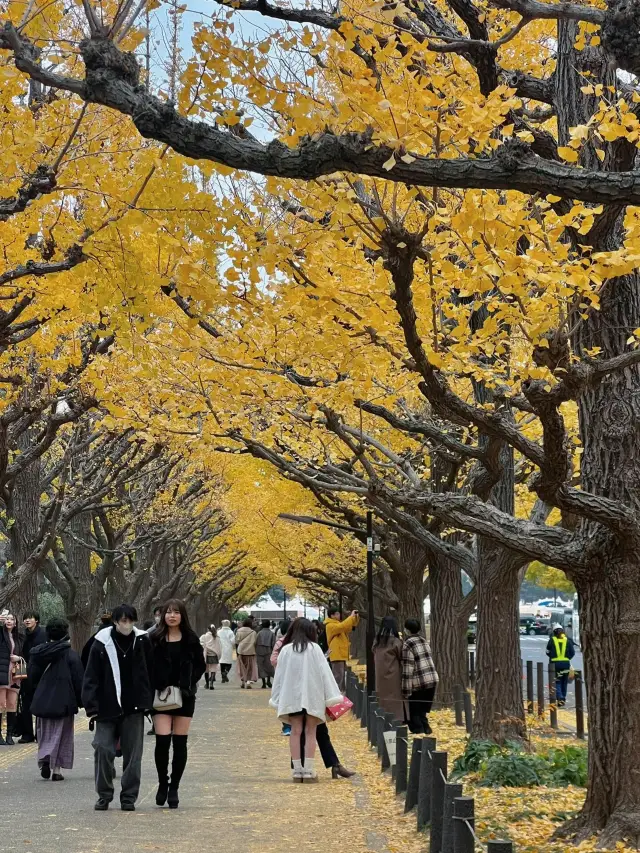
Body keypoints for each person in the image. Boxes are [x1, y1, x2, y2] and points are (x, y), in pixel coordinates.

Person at [82, 603, 154, 811]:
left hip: (134, 706)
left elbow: (151, 670)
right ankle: (104, 794)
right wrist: (91, 706)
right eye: (123, 620)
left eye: (131, 620)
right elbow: (91, 676)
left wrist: (148, 702)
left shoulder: (142, 640)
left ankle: (128, 797)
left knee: (133, 754)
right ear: (115, 621)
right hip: (106, 707)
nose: (127, 624)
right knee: (103, 748)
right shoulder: (101, 642)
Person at [272, 619, 354, 778]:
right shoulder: (315, 649)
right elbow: (325, 673)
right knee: (311, 731)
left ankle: (297, 771)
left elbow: (279, 675)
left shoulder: (286, 650)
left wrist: (277, 696)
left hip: (292, 696)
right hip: (312, 695)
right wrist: (332, 695)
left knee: (295, 731)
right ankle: (309, 769)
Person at [150, 599, 206, 809]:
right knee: (162, 742)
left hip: (184, 696)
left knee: (180, 743)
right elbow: (146, 665)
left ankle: (174, 787)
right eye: (168, 612)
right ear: (163, 615)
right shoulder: (154, 638)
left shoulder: (191, 640)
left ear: (182, 616)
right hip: (160, 695)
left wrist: (188, 683)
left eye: (176, 612)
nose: (172, 616)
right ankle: (163, 784)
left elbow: (200, 665)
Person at [29, 617, 84, 781]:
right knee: (62, 735)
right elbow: (78, 679)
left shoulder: (38, 653)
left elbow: (32, 677)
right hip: (64, 701)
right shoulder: (70, 655)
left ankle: (44, 759)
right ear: (65, 633)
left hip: (42, 700)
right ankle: (57, 770)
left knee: (44, 733)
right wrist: (82, 701)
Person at [402, 618, 438, 735]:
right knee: (423, 708)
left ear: (407, 630)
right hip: (431, 678)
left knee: (414, 710)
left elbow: (408, 667)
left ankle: (419, 731)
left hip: (418, 681)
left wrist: (405, 690)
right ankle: (426, 728)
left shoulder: (408, 644)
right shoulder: (423, 640)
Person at [17, 611, 47, 743]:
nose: (27, 620)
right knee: (25, 704)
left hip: (41, 674)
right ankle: (27, 734)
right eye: (25, 618)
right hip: (25, 674)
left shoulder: (43, 634)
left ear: (37, 620)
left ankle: (41, 734)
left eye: (30, 618)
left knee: (41, 704)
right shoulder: (23, 636)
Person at [373, 616, 405, 722]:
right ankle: (397, 717)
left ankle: (383, 716)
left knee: (383, 696)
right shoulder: (395, 641)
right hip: (393, 672)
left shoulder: (377, 641)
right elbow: (401, 656)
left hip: (380, 673)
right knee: (395, 695)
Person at [0, 611, 22, 746]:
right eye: (7, 619)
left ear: (15, 622)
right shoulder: (1, 635)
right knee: (1, 704)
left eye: (11, 619)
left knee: (12, 705)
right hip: (2, 674)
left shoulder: (19, 637)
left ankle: (9, 734)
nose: (9, 621)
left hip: (15, 676)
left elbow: (25, 654)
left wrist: (19, 658)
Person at [325, 605, 359, 692]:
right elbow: (342, 626)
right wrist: (351, 617)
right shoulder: (330, 625)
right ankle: (336, 694)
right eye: (337, 614)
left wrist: (355, 618)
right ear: (332, 615)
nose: (339, 615)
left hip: (340, 654)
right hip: (337, 654)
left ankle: (340, 694)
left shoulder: (337, 624)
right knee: (338, 676)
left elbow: (348, 627)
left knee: (341, 676)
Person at [546, 623, 575, 707]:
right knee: (564, 682)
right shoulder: (567, 640)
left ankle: (560, 697)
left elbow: (547, 651)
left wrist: (552, 657)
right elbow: (572, 653)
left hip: (555, 665)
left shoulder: (552, 640)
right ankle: (562, 699)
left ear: (554, 632)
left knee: (557, 681)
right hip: (566, 664)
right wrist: (567, 658)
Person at [235, 618, 258, 688]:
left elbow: (236, 641)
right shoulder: (253, 632)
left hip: (241, 651)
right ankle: (248, 682)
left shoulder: (239, 631)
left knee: (242, 667)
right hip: (250, 651)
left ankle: (242, 681)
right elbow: (255, 642)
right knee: (250, 667)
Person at [199, 624, 221, 689]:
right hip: (214, 655)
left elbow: (200, 643)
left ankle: (207, 684)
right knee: (213, 670)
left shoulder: (204, 636)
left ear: (208, 629)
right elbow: (219, 647)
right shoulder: (216, 637)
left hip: (206, 655)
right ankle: (211, 683)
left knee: (206, 670)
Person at [255, 619, 275, 689]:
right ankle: (268, 680)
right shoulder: (272, 633)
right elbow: (273, 643)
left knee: (261, 666)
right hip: (268, 651)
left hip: (259, 651)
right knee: (268, 666)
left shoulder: (259, 633)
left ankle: (263, 683)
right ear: (269, 625)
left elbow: (255, 642)